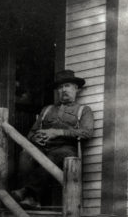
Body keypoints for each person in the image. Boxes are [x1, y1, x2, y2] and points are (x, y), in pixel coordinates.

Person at [11, 69, 94, 209]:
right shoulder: (47, 110)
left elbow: (87, 132)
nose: (63, 90)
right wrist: (36, 138)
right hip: (43, 146)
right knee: (26, 154)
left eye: (67, 86)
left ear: (76, 89)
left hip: (66, 149)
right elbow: (31, 133)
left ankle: (27, 193)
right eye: (60, 87)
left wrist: (58, 132)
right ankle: (31, 198)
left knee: (53, 156)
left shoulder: (83, 110)